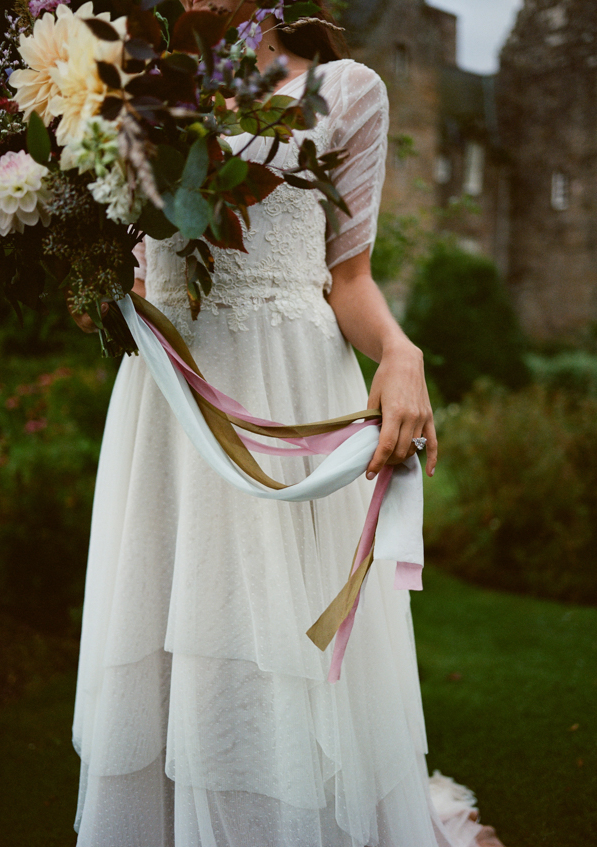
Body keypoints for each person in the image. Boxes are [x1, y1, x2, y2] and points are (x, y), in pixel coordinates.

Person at [69, 2, 498, 845]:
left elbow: (350, 277)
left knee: (282, 653)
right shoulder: (115, 80)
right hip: (170, 404)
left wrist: (401, 355)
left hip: (288, 393)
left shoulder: (346, 90)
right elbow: (113, 287)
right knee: (173, 645)